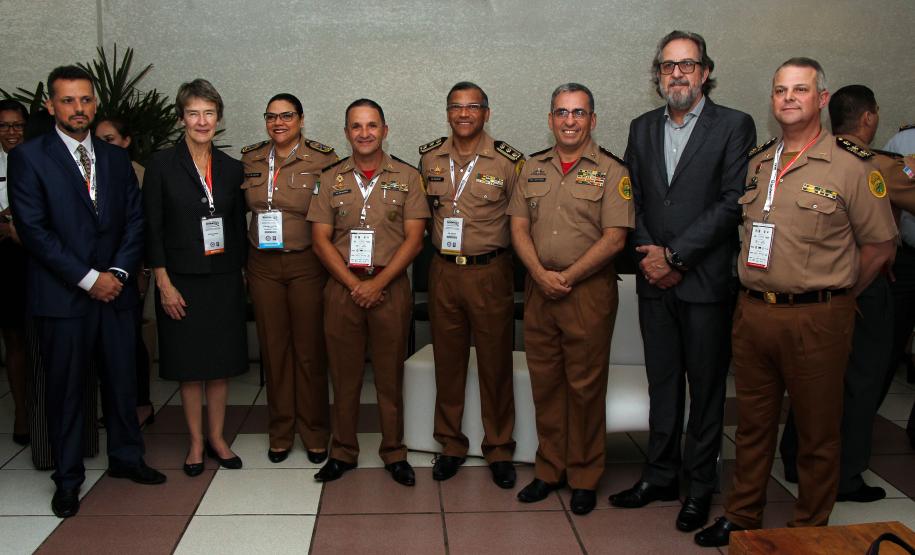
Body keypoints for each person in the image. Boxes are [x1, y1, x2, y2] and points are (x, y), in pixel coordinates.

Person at [695, 58, 897, 547]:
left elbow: (881, 246)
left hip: (818, 318)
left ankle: (808, 528)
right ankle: (742, 515)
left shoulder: (852, 165)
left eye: (800, 90)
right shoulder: (759, 162)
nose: (788, 97)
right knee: (751, 427)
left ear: (821, 99)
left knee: (816, 433)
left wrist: (840, 293)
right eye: (781, 89)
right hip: (754, 313)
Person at [608, 31, 756, 532]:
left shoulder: (734, 125)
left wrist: (676, 256)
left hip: (705, 282)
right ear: (658, 74)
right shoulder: (641, 127)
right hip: (654, 280)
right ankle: (660, 475)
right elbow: (636, 200)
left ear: (705, 71)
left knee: (707, 388)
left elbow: (733, 200)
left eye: (687, 64)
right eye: (669, 65)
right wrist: (652, 257)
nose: (677, 73)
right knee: (663, 384)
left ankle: (699, 487)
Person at [8, 65, 166, 519]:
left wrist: (114, 272)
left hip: (116, 294)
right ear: (51, 106)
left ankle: (127, 459)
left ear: (95, 103)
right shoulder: (29, 157)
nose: (78, 109)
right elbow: (35, 232)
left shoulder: (115, 159)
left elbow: (135, 221)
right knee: (67, 390)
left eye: (85, 100)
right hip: (63, 298)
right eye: (68, 100)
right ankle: (69, 479)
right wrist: (88, 278)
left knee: (122, 381)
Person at [779, 85, 915, 503]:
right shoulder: (881, 164)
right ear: (868, 118)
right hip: (864, 287)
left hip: (816, 286)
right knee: (860, 382)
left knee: (814, 378)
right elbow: (886, 241)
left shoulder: (810, 155)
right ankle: (845, 476)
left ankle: (793, 456)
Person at [508, 83, 633, 515]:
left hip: (587, 293)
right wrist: (540, 275)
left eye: (579, 113)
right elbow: (518, 228)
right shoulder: (531, 168)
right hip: (539, 291)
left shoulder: (613, 170)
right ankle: (549, 470)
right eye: (561, 112)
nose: (569, 120)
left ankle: (583, 475)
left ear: (592, 120)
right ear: (550, 120)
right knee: (546, 385)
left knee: (584, 388)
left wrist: (566, 277)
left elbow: (616, 239)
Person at [308, 99, 429, 486]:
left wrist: (377, 283)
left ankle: (394, 452)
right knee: (343, 377)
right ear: (346, 133)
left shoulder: (409, 177)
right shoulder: (329, 179)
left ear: (385, 130)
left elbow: (415, 239)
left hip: (389, 287)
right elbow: (320, 239)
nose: (364, 133)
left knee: (391, 376)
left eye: (372, 125)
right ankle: (342, 451)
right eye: (356, 126)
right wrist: (354, 284)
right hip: (343, 288)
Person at [418, 82, 522, 488]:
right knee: (448, 361)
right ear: (447, 112)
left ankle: (498, 447)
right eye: (456, 107)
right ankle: (451, 444)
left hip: (490, 271)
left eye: (472, 107)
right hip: (443, 272)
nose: (464, 114)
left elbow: (520, 224)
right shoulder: (429, 159)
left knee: (496, 363)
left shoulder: (508, 162)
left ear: (486, 113)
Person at [143, 79, 247, 477]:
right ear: (181, 118)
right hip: (180, 280)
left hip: (222, 278)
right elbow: (152, 229)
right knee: (189, 366)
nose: (201, 121)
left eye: (208, 113)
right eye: (193, 113)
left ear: (218, 119)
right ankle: (195, 442)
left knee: (219, 364)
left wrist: (242, 275)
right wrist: (163, 283)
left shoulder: (232, 168)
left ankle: (218, 438)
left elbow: (236, 228)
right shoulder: (160, 166)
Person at [241, 93, 337, 464]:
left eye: (287, 116)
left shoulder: (322, 158)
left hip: (306, 264)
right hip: (262, 265)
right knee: (274, 350)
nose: (278, 123)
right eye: (271, 116)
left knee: (310, 350)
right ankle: (280, 430)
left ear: (301, 119)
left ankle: (314, 431)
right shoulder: (250, 158)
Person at [94, 117, 155, 429]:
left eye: (110, 139)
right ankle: (116, 409)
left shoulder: (140, 174)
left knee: (130, 340)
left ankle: (140, 403)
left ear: (126, 141)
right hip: (94, 276)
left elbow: (141, 226)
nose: (105, 145)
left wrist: (137, 271)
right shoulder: (92, 170)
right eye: (100, 139)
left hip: (129, 270)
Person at [0, 99, 30, 446]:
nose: (11, 132)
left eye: (17, 125)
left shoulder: (40, 158)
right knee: (14, 338)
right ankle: (22, 412)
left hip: (40, 257)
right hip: (6, 259)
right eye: (5, 126)